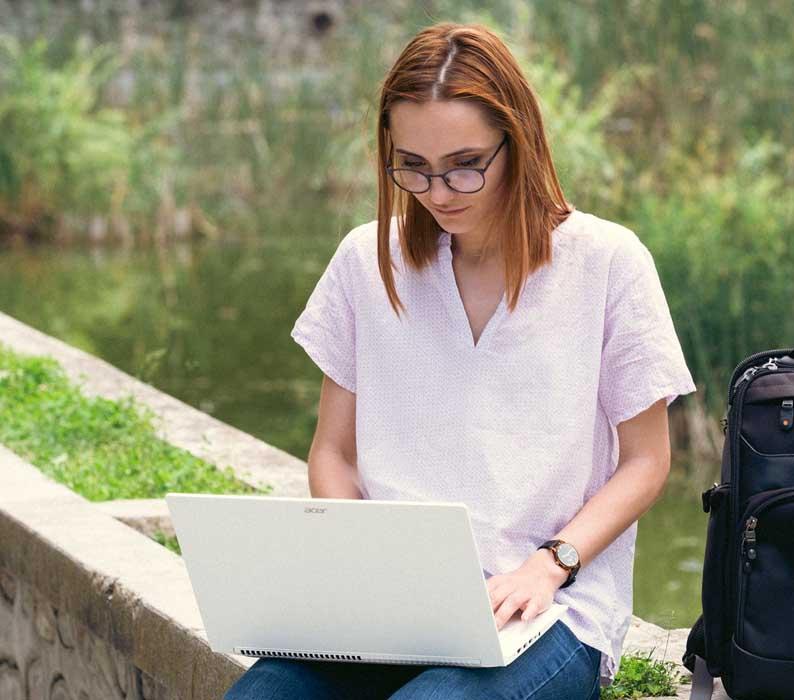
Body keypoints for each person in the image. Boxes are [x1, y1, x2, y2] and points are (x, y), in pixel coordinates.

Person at [224, 21, 695, 700]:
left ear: (520, 141)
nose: (438, 191)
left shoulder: (607, 263)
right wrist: (358, 556)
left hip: (549, 611)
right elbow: (332, 451)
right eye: (412, 165)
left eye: (466, 164)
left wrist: (550, 564)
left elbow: (648, 462)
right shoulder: (367, 259)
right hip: (391, 608)